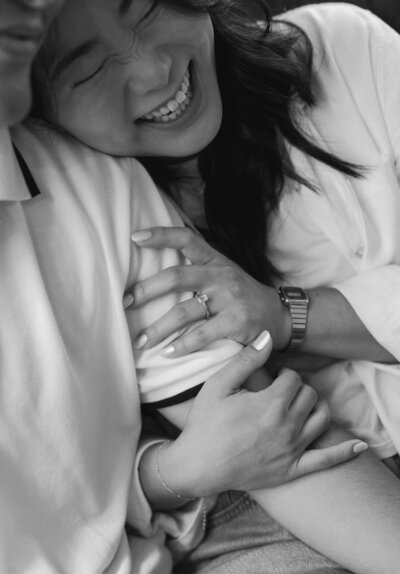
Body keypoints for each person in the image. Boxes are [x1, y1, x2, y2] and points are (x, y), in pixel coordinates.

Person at [28, 1, 400, 573]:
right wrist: (171, 472)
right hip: (281, 508)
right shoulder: (92, 218)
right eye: (89, 69)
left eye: (147, 10)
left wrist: (287, 316)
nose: (153, 70)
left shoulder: (344, 54)